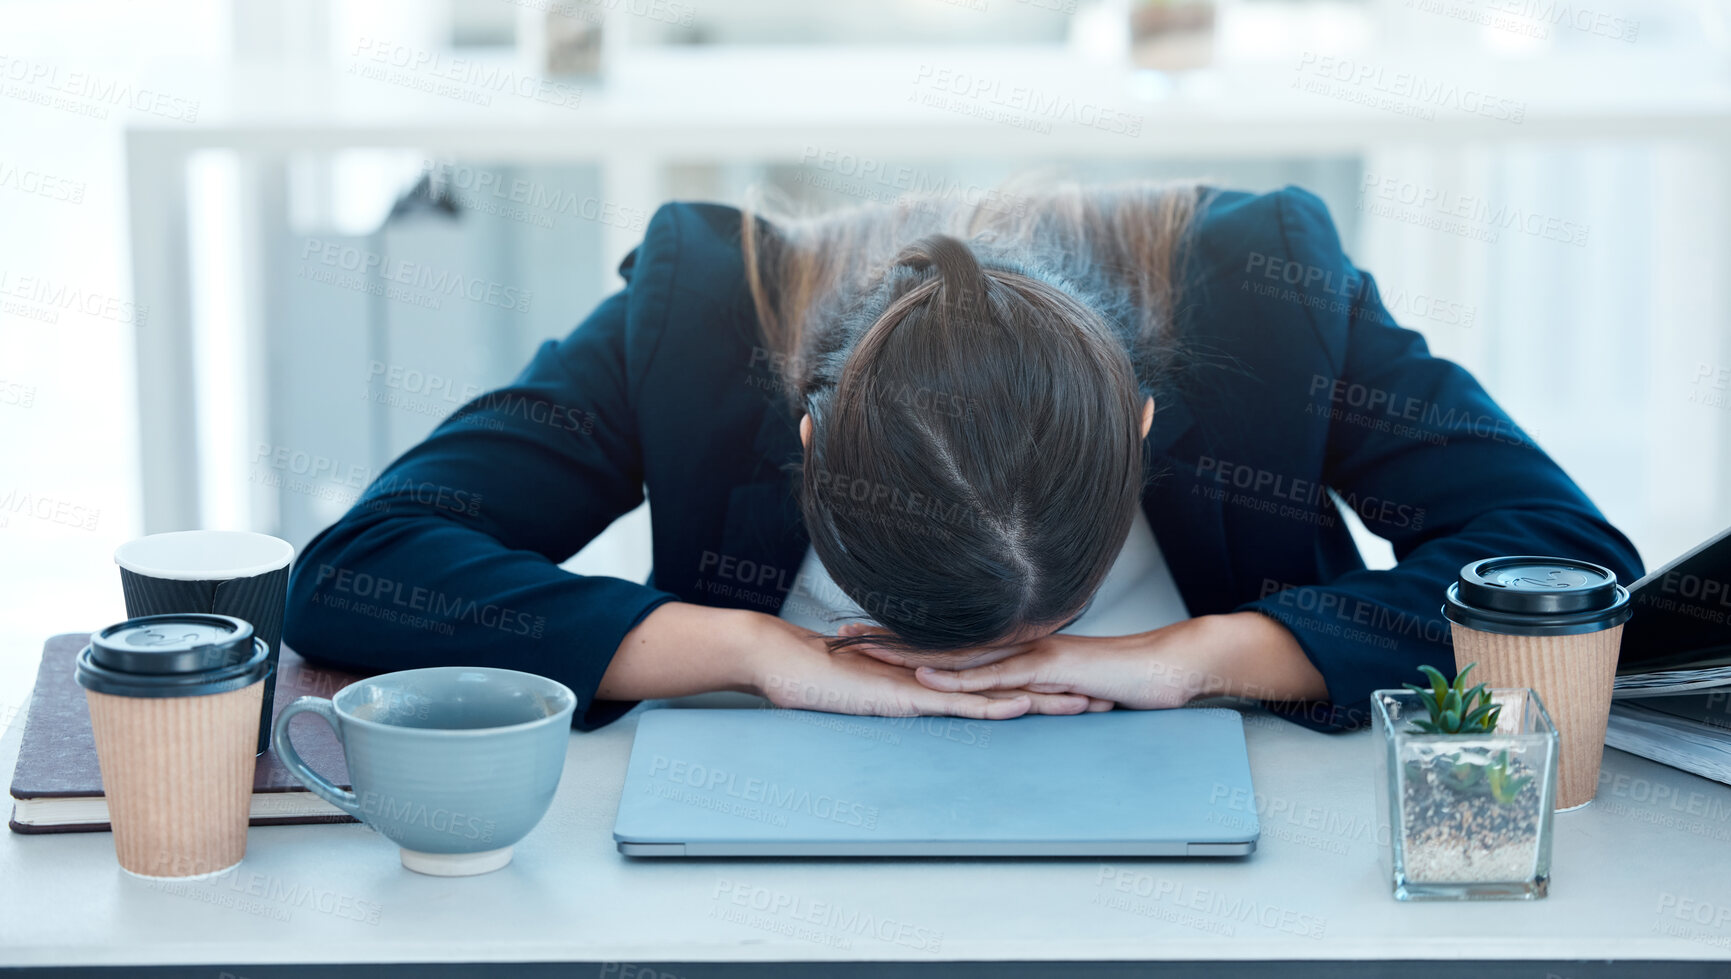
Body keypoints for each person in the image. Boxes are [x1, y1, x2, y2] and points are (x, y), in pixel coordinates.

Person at [281, 182, 1642, 732]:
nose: (980, 677)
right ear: (810, 441)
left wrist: (1194, 657)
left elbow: (1566, 569)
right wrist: (759, 653)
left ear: (1149, 433)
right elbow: (363, 570)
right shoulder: (702, 311)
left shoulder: (1269, 292)